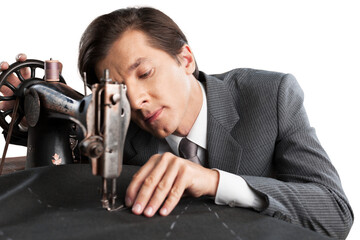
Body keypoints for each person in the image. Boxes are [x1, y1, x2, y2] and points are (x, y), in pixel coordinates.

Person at [0, 7, 353, 239]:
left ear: (185, 58)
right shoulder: (120, 129)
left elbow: (335, 214)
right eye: (118, 90)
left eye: (145, 73)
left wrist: (215, 182)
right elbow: (69, 164)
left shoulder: (270, 96)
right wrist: (26, 112)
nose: (135, 100)